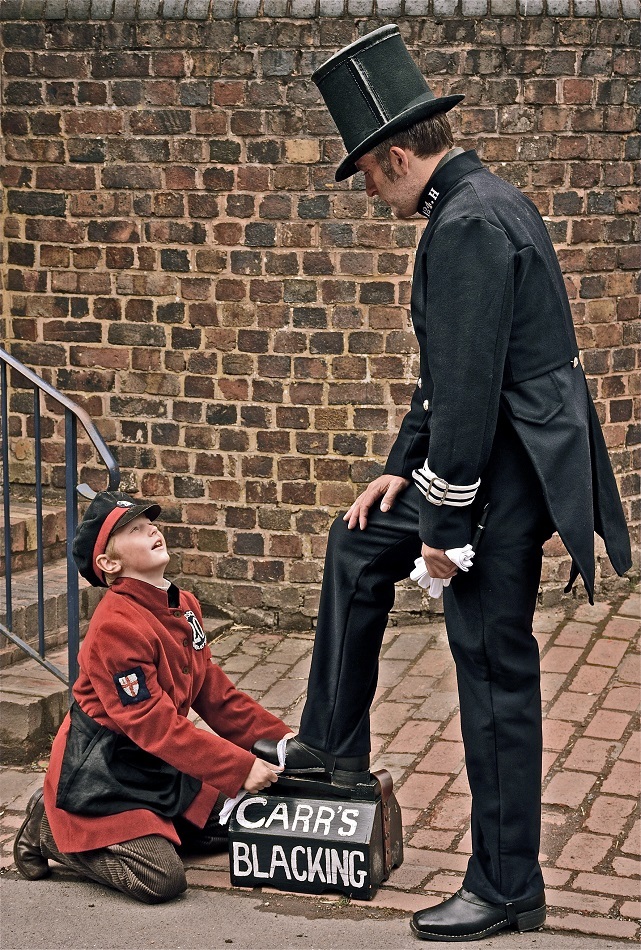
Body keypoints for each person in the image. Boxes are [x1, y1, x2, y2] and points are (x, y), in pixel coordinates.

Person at [253, 24, 632, 942]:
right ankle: (331, 747)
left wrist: (443, 530)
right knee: (356, 543)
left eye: (365, 174)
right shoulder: (477, 202)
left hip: (499, 483)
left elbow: (466, 395)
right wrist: (397, 474)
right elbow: (444, 376)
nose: (367, 193)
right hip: (482, 463)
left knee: (493, 672)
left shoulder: (465, 226)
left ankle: (506, 886)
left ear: (393, 155)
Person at [14, 490, 291, 903]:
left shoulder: (182, 604)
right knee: (162, 878)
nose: (152, 531)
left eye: (151, 524)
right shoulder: (115, 626)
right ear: (109, 564)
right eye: (135, 530)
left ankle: (131, 825)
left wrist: (284, 742)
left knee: (241, 821)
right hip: (108, 771)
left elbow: (213, 692)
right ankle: (52, 831)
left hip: (159, 762)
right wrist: (238, 767)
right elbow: (153, 725)